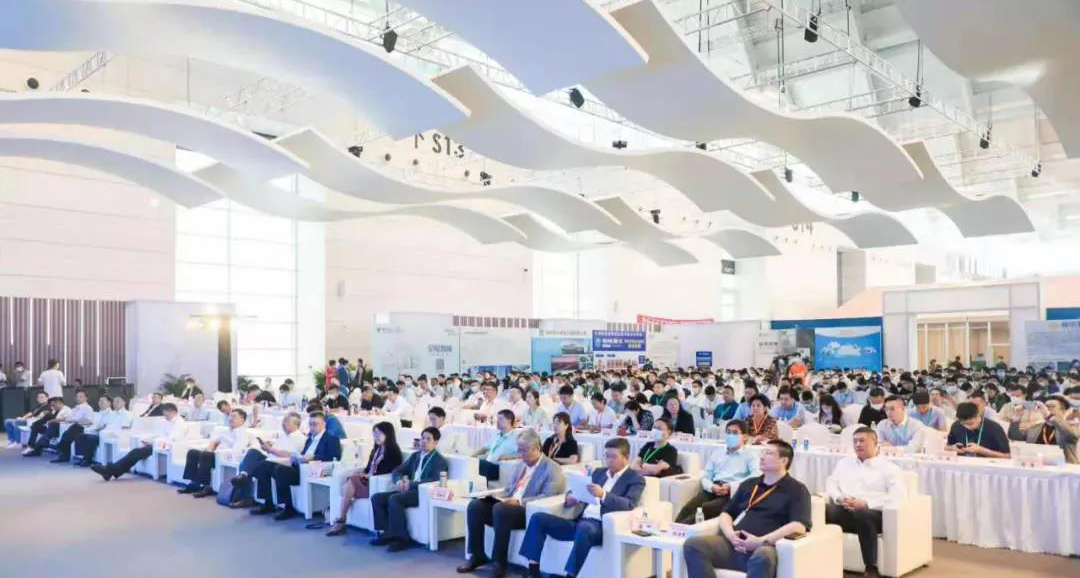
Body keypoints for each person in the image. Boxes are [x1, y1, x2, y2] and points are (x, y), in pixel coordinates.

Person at [519, 438, 645, 578]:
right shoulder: (599, 472)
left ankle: (570, 575)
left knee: (585, 528)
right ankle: (533, 571)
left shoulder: (635, 478)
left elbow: (629, 504)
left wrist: (603, 494)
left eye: (613, 456)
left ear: (626, 457)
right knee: (538, 518)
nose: (609, 460)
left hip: (600, 527)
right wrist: (571, 497)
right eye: (606, 456)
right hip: (579, 522)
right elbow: (578, 488)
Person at [683, 440, 811, 578]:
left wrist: (760, 541)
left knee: (763, 556)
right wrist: (731, 536)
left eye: (768, 453)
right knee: (693, 544)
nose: (762, 457)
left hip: (765, 547)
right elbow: (726, 513)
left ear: (784, 460)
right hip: (734, 544)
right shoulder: (749, 484)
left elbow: (798, 526)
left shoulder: (797, 490)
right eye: (762, 452)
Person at [458, 429, 567, 578]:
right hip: (507, 506)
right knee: (476, 506)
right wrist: (494, 496)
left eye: (523, 450)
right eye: (519, 449)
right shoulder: (521, 464)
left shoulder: (552, 469)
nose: (520, 454)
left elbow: (548, 497)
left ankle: (499, 562)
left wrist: (519, 501)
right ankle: (477, 555)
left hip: (527, 511)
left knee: (501, 509)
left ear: (536, 448)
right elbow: (509, 489)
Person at [825, 427, 905, 578]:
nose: (858, 445)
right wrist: (839, 498)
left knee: (863, 514)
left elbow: (896, 496)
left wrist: (867, 503)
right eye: (855, 441)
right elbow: (831, 483)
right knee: (820, 510)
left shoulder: (889, 468)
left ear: (875, 443)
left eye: (862, 441)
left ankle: (870, 567)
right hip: (845, 510)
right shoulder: (844, 463)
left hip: (874, 514)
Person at [250, 411, 342, 519]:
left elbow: (334, 457)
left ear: (324, 424)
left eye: (315, 424)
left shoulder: (331, 438)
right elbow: (302, 454)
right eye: (310, 424)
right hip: (300, 467)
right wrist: (297, 457)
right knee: (264, 465)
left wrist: (313, 458)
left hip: (313, 469)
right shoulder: (309, 439)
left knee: (280, 470)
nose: (312, 427)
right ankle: (268, 502)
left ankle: (288, 508)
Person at [370, 427, 449, 551]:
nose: (424, 441)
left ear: (435, 442)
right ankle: (386, 533)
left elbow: (433, 480)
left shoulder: (439, 460)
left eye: (428, 439)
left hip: (421, 493)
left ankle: (402, 539)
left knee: (395, 499)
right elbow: (397, 470)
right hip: (408, 490)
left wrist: (411, 484)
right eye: (422, 438)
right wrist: (398, 480)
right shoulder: (415, 456)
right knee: (377, 498)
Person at [326, 421, 404, 536]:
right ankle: (340, 519)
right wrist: (362, 473)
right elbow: (368, 469)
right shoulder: (376, 450)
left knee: (350, 483)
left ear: (388, 434)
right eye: (374, 434)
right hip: (367, 481)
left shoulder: (394, 453)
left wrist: (367, 476)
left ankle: (341, 520)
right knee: (348, 484)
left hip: (376, 484)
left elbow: (388, 472)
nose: (376, 437)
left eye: (379, 434)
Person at [676, 419, 759, 524]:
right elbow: (706, 476)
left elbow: (756, 475)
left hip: (732, 492)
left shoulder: (750, 455)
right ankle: (674, 528)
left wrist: (731, 486)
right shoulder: (717, 453)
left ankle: (683, 529)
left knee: (707, 508)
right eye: (728, 432)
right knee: (689, 507)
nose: (730, 436)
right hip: (713, 488)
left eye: (735, 433)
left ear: (745, 436)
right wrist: (711, 487)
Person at [228, 412, 307, 508]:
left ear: (295, 424)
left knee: (260, 465)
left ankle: (259, 498)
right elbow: (273, 451)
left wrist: (271, 450)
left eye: (286, 421)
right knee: (253, 452)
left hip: (282, 463)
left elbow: (291, 455)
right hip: (272, 458)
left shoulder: (300, 438)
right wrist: (268, 447)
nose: (283, 424)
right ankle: (243, 475)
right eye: (283, 421)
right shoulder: (283, 436)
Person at [90, 403, 185, 480]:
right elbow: (160, 434)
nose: (165, 417)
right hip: (158, 445)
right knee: (135, 452)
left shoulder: (179, 423)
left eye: (167, 415)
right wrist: (150, 440)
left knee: (136, 452)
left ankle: (109, 470)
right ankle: (110, 470)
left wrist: (153, 442)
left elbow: (173, 439)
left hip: (168, 447)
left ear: (173, 412)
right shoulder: (168, 421)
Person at [177, 409, 251, 498]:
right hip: (214, 455)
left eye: (234, 416)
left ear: (242, 420)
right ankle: (194, 483)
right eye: (230, 416)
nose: (230, 418)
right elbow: (215, 442)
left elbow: (237, 450)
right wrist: (210, 448)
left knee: (206, 455)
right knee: (192, 452)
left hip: (225, 457)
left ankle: (206, 487)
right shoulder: (227, 431)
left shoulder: (242, 433)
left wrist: (216, 452)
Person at [75, 395, 133, 467]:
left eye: (118, 401)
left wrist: (109, 430)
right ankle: (83, 458)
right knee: (81, 436)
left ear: (124, 403)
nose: (115, 403)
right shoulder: (112, 414)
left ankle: (88, 460)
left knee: (90, 438)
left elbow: (125, 428)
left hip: (115, 435)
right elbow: (105, 424)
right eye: (114, 402)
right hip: (105, 434)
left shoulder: (127, 414)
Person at [46, 388, 96, 462]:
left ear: (86, 398)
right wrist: (59, 420)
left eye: (80, 396)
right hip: (72, 426)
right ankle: (63, 454)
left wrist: (76, 421)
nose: (78, 398)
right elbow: (68, 418)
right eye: (77, 396)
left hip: (82, 427)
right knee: (65, 434)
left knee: (68, 435)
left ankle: (62, 452)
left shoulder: (88, 408)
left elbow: (90, 421)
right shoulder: (76, 408)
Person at [472, 409, 520, 481]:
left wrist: (508, 456)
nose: (497, 422)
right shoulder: (497, 436)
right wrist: (470, 457)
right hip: (488, 465)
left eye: (500, 419)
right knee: (471, 463)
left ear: (509, 421)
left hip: (498, 468)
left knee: (479, 464)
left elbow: (524, 454)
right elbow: (483, 449)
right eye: (497, 419)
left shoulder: (516, 438)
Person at [1032, 396, 1079, 464]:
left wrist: (1049, 416)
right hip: (1038, 465)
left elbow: (1072, 435)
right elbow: (1019, 440)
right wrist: (1017, 419)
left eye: (1052, 407)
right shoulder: (1036, 427)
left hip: (1065, 467)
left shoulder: (1071, 426)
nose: (1047, 409)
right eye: (1046, 407)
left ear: (1063, 411)